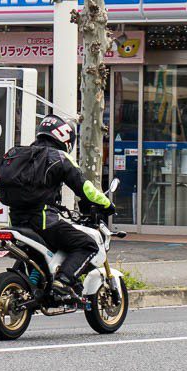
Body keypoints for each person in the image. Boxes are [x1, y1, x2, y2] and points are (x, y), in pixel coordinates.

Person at [8, 114, 114, 300]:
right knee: (87, 245)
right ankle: (63, 281)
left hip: (16, 220)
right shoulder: (59, 157)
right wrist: (106, 203)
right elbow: (85, 188)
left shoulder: (20, 154)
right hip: (43, 222)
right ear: (64, 137)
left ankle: (42, 282)